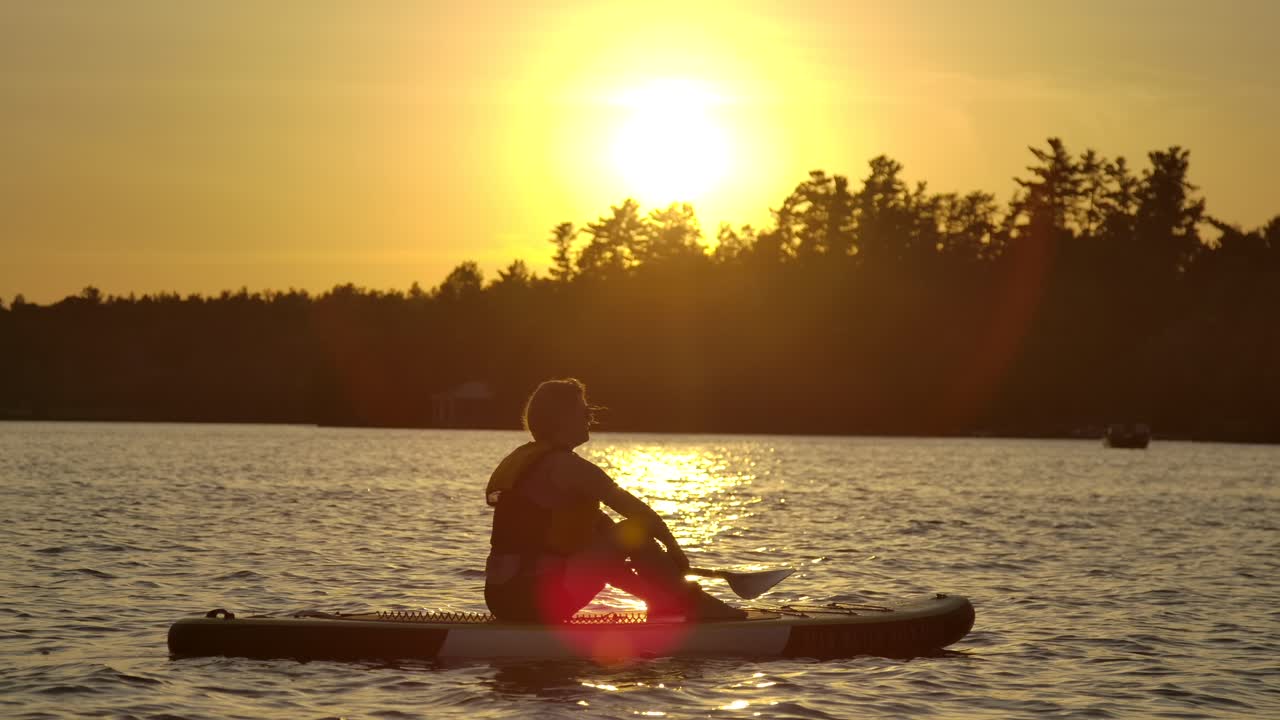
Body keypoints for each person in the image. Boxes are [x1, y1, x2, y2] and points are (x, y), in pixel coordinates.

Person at [484, 378, 745, 623]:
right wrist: (675, 552)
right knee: (636, 531)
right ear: (562, 418)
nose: (591, 419)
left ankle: (667, 602)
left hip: (501, 599)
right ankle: (695, 604)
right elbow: (643, 517)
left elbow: (608, 563)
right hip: (535, 601)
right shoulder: (569, 468)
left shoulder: (530, 462)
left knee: (612, 534)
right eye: (584, 412)